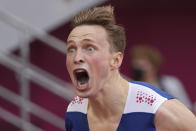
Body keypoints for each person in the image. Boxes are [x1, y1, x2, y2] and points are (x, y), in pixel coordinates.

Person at [65, 5, 196, 131]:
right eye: (71, 49)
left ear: (115, 60)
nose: (77, 57)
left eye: (90, 48)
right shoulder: (74, 111)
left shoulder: (161, 110)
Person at [130, 44, 192, 109]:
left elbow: (185, 108)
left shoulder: (170, 83)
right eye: (136, 66)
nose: (139, 69)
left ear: (154, 66)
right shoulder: (131, 87)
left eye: (143, 65)